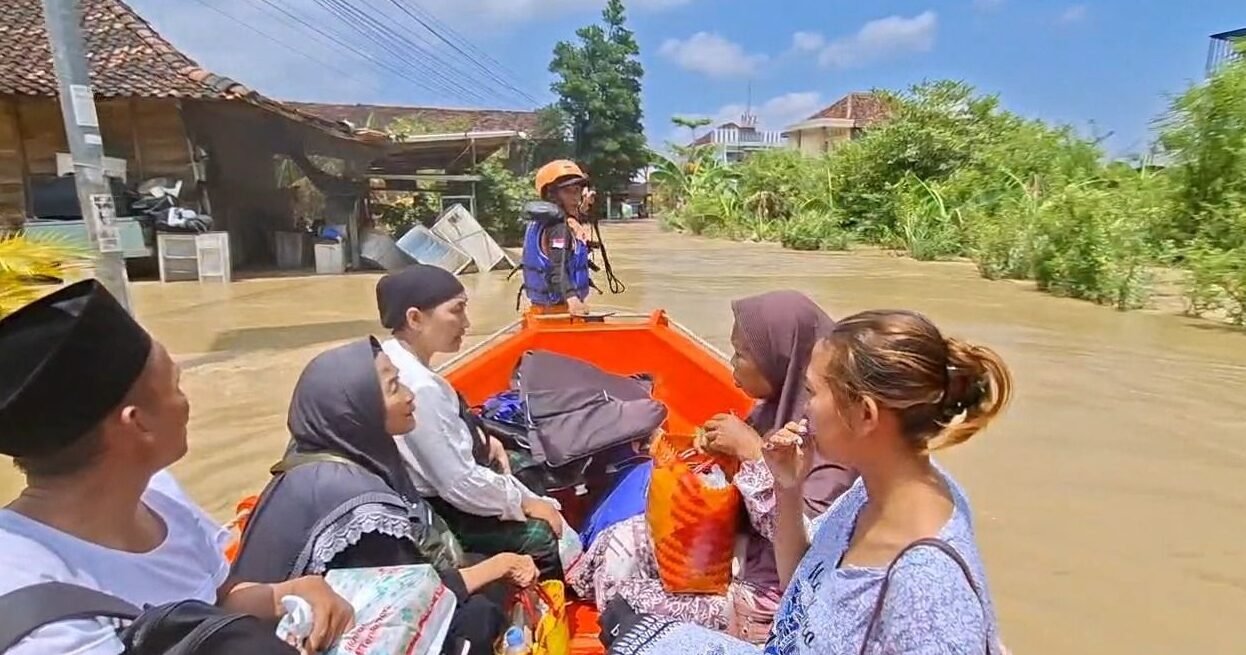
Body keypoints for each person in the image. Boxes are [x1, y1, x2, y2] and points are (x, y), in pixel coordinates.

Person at [602, 309, 1013, 655]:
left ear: (865, 415)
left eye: (813, 392)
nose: (805, 408)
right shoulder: (871, 491)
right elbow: (801, 580)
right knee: (625, 626)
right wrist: (788, 487)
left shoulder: (928, 589)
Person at [0, 280, 354, 654]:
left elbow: (216, 599)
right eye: (175, 385)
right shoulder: (34, 605)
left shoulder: (159, 496)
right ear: (138, 424)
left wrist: (285, 594)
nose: (186, 403)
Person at [568, 290, 856, 642]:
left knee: (624, 604)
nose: (734, 363)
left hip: (763, 596)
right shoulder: (773, 410)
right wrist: (719, 456)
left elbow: (804, 543)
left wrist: (752, 452)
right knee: (621, 539)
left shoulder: (832, 439)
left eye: (742, 354)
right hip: (734, 551)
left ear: (779, 359)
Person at [231, 338, 538, 655]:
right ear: (358, 408)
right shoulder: (354, 501)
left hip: (342, 597)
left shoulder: (319, 452)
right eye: (393, 388)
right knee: (479, 615)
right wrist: (503, 564)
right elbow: (414, 592)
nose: (409, 395)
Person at [376, 264, 568, 579]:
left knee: (522, 465)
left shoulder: (394, 358)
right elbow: (459, 485)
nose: (466, 323)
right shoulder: (419, 387)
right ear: (415, 319)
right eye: (457, 310)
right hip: (442, 508)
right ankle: (547, 591)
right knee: (541, 536)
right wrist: (526, 504)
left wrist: (485, 440)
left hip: (439, 484)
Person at [519, 159, 598, 315]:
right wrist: (572, 299)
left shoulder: (545, 221)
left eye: (577, 190)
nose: (575, 197)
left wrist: (584, 208)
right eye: (567, 191)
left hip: (542, 309)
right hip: (558, 312)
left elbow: (574, 218)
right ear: (552, 195)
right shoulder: (559, 228)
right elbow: (557, 269)